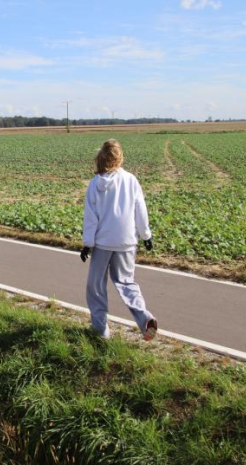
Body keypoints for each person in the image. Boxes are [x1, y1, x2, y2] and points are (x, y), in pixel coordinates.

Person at [80, 139, 157, 342]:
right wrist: (146, 235)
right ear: (119, 157)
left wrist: (87, 244)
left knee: (96, 286)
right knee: (126, 282)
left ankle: (101, 329)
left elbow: (91, 217)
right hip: (127, 241)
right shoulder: (131, 180)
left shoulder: (95, 183)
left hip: (103, 242)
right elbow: (140, 210)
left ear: (101, 158)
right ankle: (144, 318)